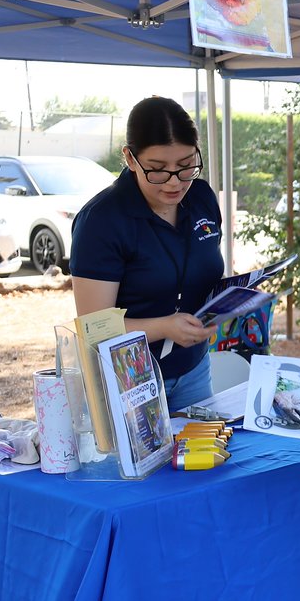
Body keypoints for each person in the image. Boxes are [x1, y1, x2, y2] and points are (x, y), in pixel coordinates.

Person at [70, 97, 224, 411]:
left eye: (185, 166)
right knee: (145, 462)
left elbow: (204, 273)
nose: (174, 182)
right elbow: (94, 327)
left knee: (203, 458)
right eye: (157, 170)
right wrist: (164, 327)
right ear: (129, 158)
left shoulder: (202, 198)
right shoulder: (101, 221)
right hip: (129, 378)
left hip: (193, 369)